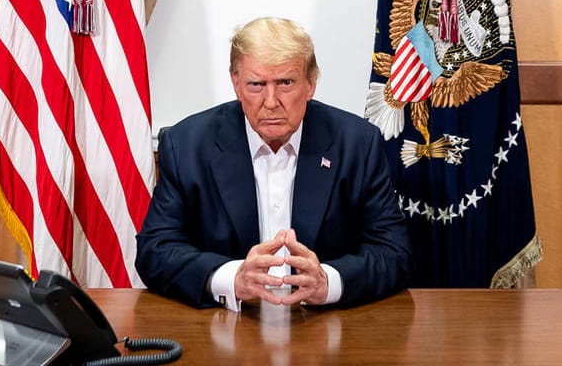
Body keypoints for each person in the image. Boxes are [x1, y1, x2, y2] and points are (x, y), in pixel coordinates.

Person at [136, 17, 409, 309]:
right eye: (256, 84)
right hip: (226, 330)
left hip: (325, 329)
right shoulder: (187, 145)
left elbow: (394, 252)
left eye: (286, 83)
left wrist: (326, 282)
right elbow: (155, 251)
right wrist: (231, 278)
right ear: (236, 85)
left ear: (311, 83)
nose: (271, 101)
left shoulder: (356, 143)